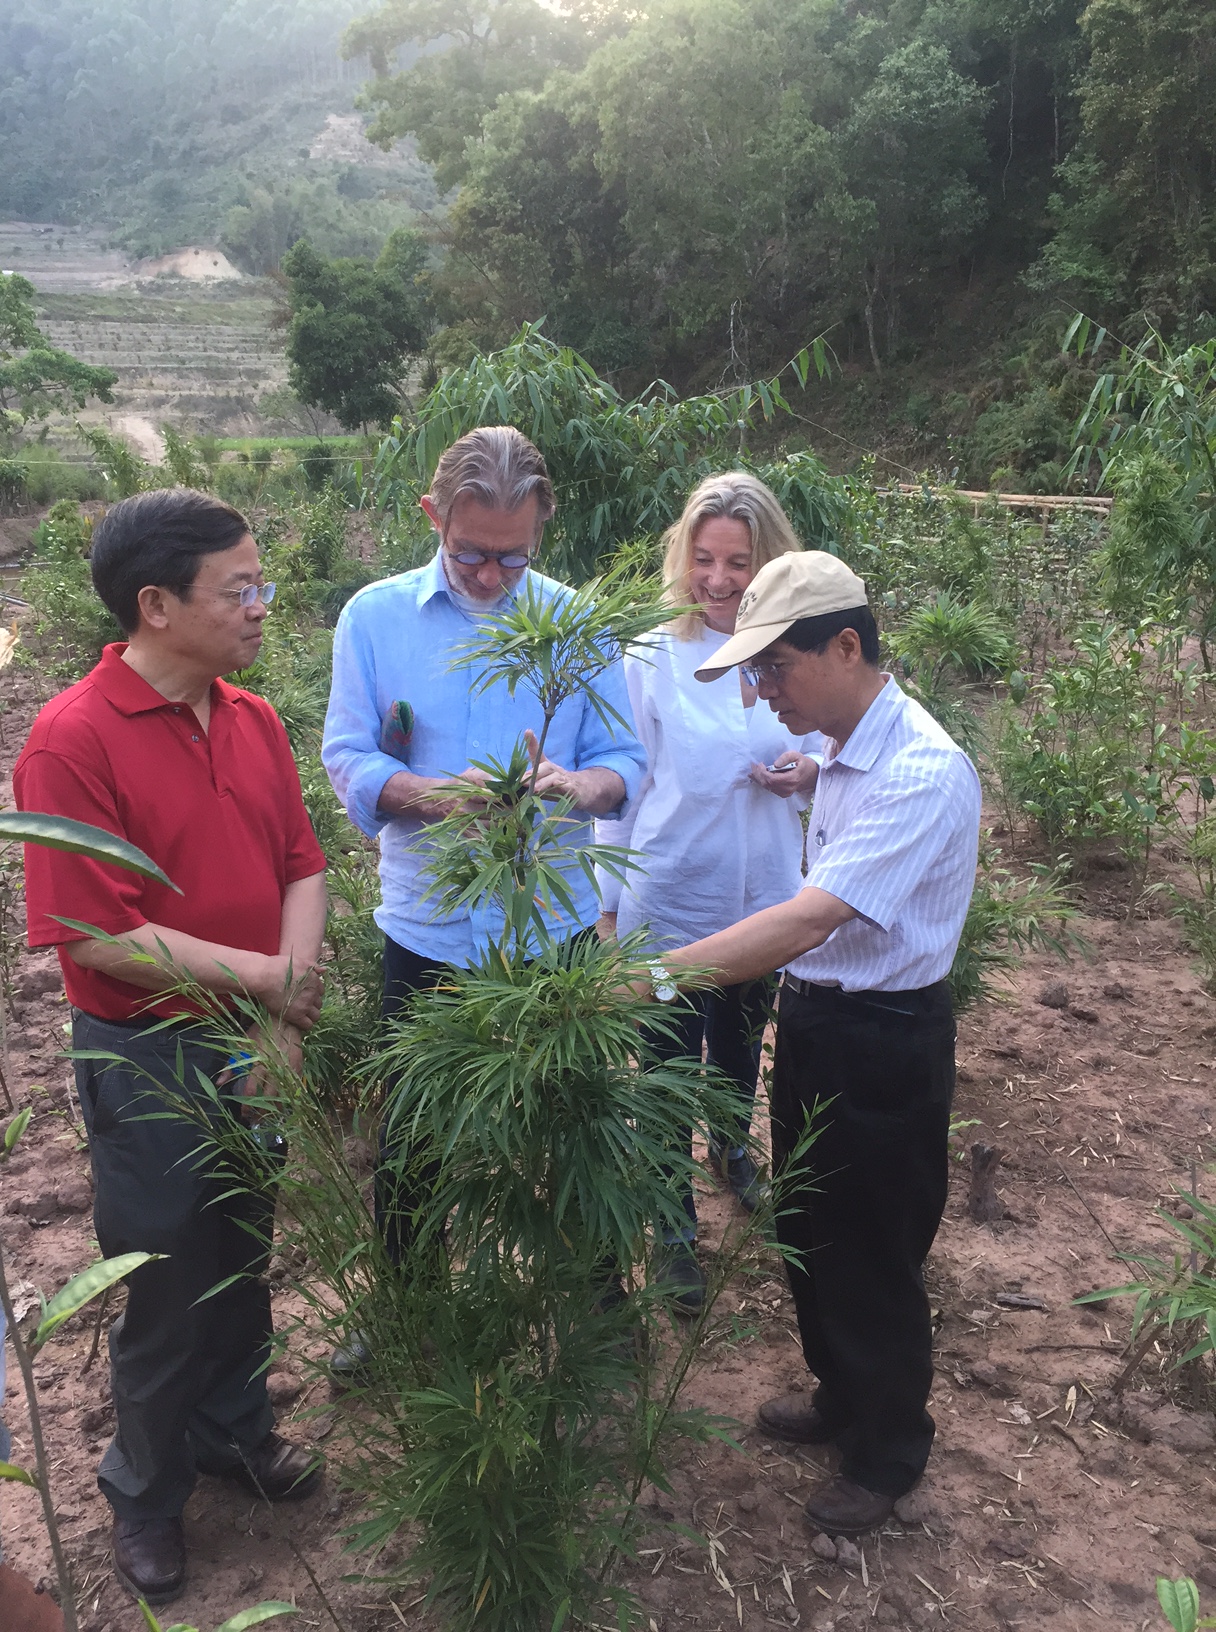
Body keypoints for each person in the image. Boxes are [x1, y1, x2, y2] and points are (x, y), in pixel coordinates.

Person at [13, 488, 329, 1605]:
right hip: (149, 1057)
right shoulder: (71, 742)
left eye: (261, 584)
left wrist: (284, 1020)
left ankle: (236, 1433)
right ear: (155, 605)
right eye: (237, 589)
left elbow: (302, 861)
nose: (259, 607)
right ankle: (143, 1489)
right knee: (165, 1279)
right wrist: (272, 986)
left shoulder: (250, 717)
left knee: (243, 1254)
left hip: (256, 1035)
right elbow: (101, 933)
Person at [633, 549, 981, 1534]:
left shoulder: (920, 768)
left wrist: (654, 975)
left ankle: (886, 1453)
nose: (758, 690)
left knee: (870, 1248)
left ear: (844, 645)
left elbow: (801, 921)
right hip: (822, 1021)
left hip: (883, 1037)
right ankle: (841, 1395)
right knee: (813, 1232)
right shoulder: (839, 743)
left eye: (773, 668)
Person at [322, 425, 645, 1363]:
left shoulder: (576, 624)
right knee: (415, 1137)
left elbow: (624, 761)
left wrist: (575, 786)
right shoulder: (373, 619)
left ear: (540, 526)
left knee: (575, 1123)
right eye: (471, 554)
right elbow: (348, 753)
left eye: (515, 556)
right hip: (428, 927)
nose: (494, 575)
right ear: (432, 518)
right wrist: (428, 795)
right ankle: (410, 1315)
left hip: (551, 926)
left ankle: (596, 1314)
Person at [596, 473, 821, 1313]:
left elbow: (837, 748)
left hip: (766, 895)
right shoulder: (653, 654)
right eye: (705, 560)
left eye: (740, 562)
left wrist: (807, 774)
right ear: (683, 560)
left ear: (771, 564)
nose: (720, 580)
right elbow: (625, 782)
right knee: (663, 1070)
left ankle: (731, 1148)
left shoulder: (793, 650)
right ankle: (672, 1226)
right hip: (671, 894)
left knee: (736, 1051)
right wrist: (609, 905)